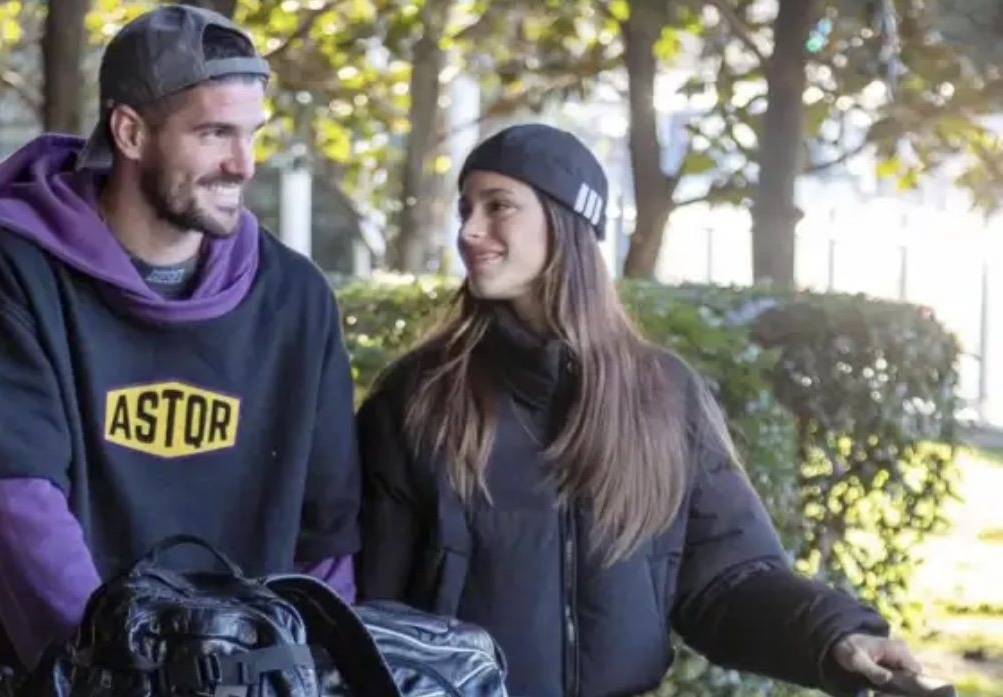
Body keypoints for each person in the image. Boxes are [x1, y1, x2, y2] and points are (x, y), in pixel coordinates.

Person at [354, 123, 926, 697]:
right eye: (466, 209)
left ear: (567, 221)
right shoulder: (418, 398)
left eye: (498, 205)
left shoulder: (663, 394)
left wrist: (833, 634)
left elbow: (726, 579)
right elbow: (370, 612)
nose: (470, 230)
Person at [0, 5, 360, 695]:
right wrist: (121, 678)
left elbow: (325, 544)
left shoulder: (297, 299)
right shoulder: (13, 266)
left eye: (251, 134)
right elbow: (9, 500)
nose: (243, 164)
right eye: (214, 133)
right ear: (129, 131)